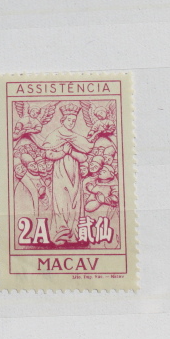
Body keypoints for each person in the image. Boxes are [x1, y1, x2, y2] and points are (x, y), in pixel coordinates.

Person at [40, 102, 94, 244]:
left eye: (74, 120)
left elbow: (84, 157)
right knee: (61, 201)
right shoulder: (54, 135)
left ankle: (75, 234)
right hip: (60, 173)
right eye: (69, 120)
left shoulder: (77, 138)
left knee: (74, 202)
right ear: (63, 120)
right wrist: (63, 152)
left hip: (74, 174)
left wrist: (70, 152)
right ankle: (60, 234)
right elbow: (49, 154)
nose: (71, 122)